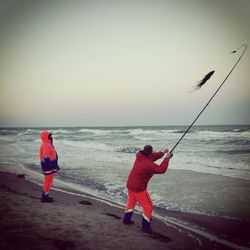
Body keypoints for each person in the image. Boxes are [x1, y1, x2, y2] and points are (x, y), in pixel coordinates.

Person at [123, 144, 173, 232]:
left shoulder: (140, 157)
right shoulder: (147, 163)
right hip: (139, 188)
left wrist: (163, 153)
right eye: (152, 152)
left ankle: (126, 220)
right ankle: (145, 227)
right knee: (148, 206)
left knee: (131, 203)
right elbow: (161, 169)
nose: (153, 154)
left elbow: (153, 157)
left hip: (130, 185)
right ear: (149, 153)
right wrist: (167, 159)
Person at [39, 130, 60, 202]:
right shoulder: (46, 145)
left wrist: (55, 166)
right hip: (48, 167)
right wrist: (52, 167)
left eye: (51, 135)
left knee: (49, 181)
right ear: (45, 137)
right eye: (49, 136)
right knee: (47, 181)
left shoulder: (48, 144)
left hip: (50, 166)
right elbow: (46, 157)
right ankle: (44, 197)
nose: (51, 137)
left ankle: (45, 196)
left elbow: (52, 156)